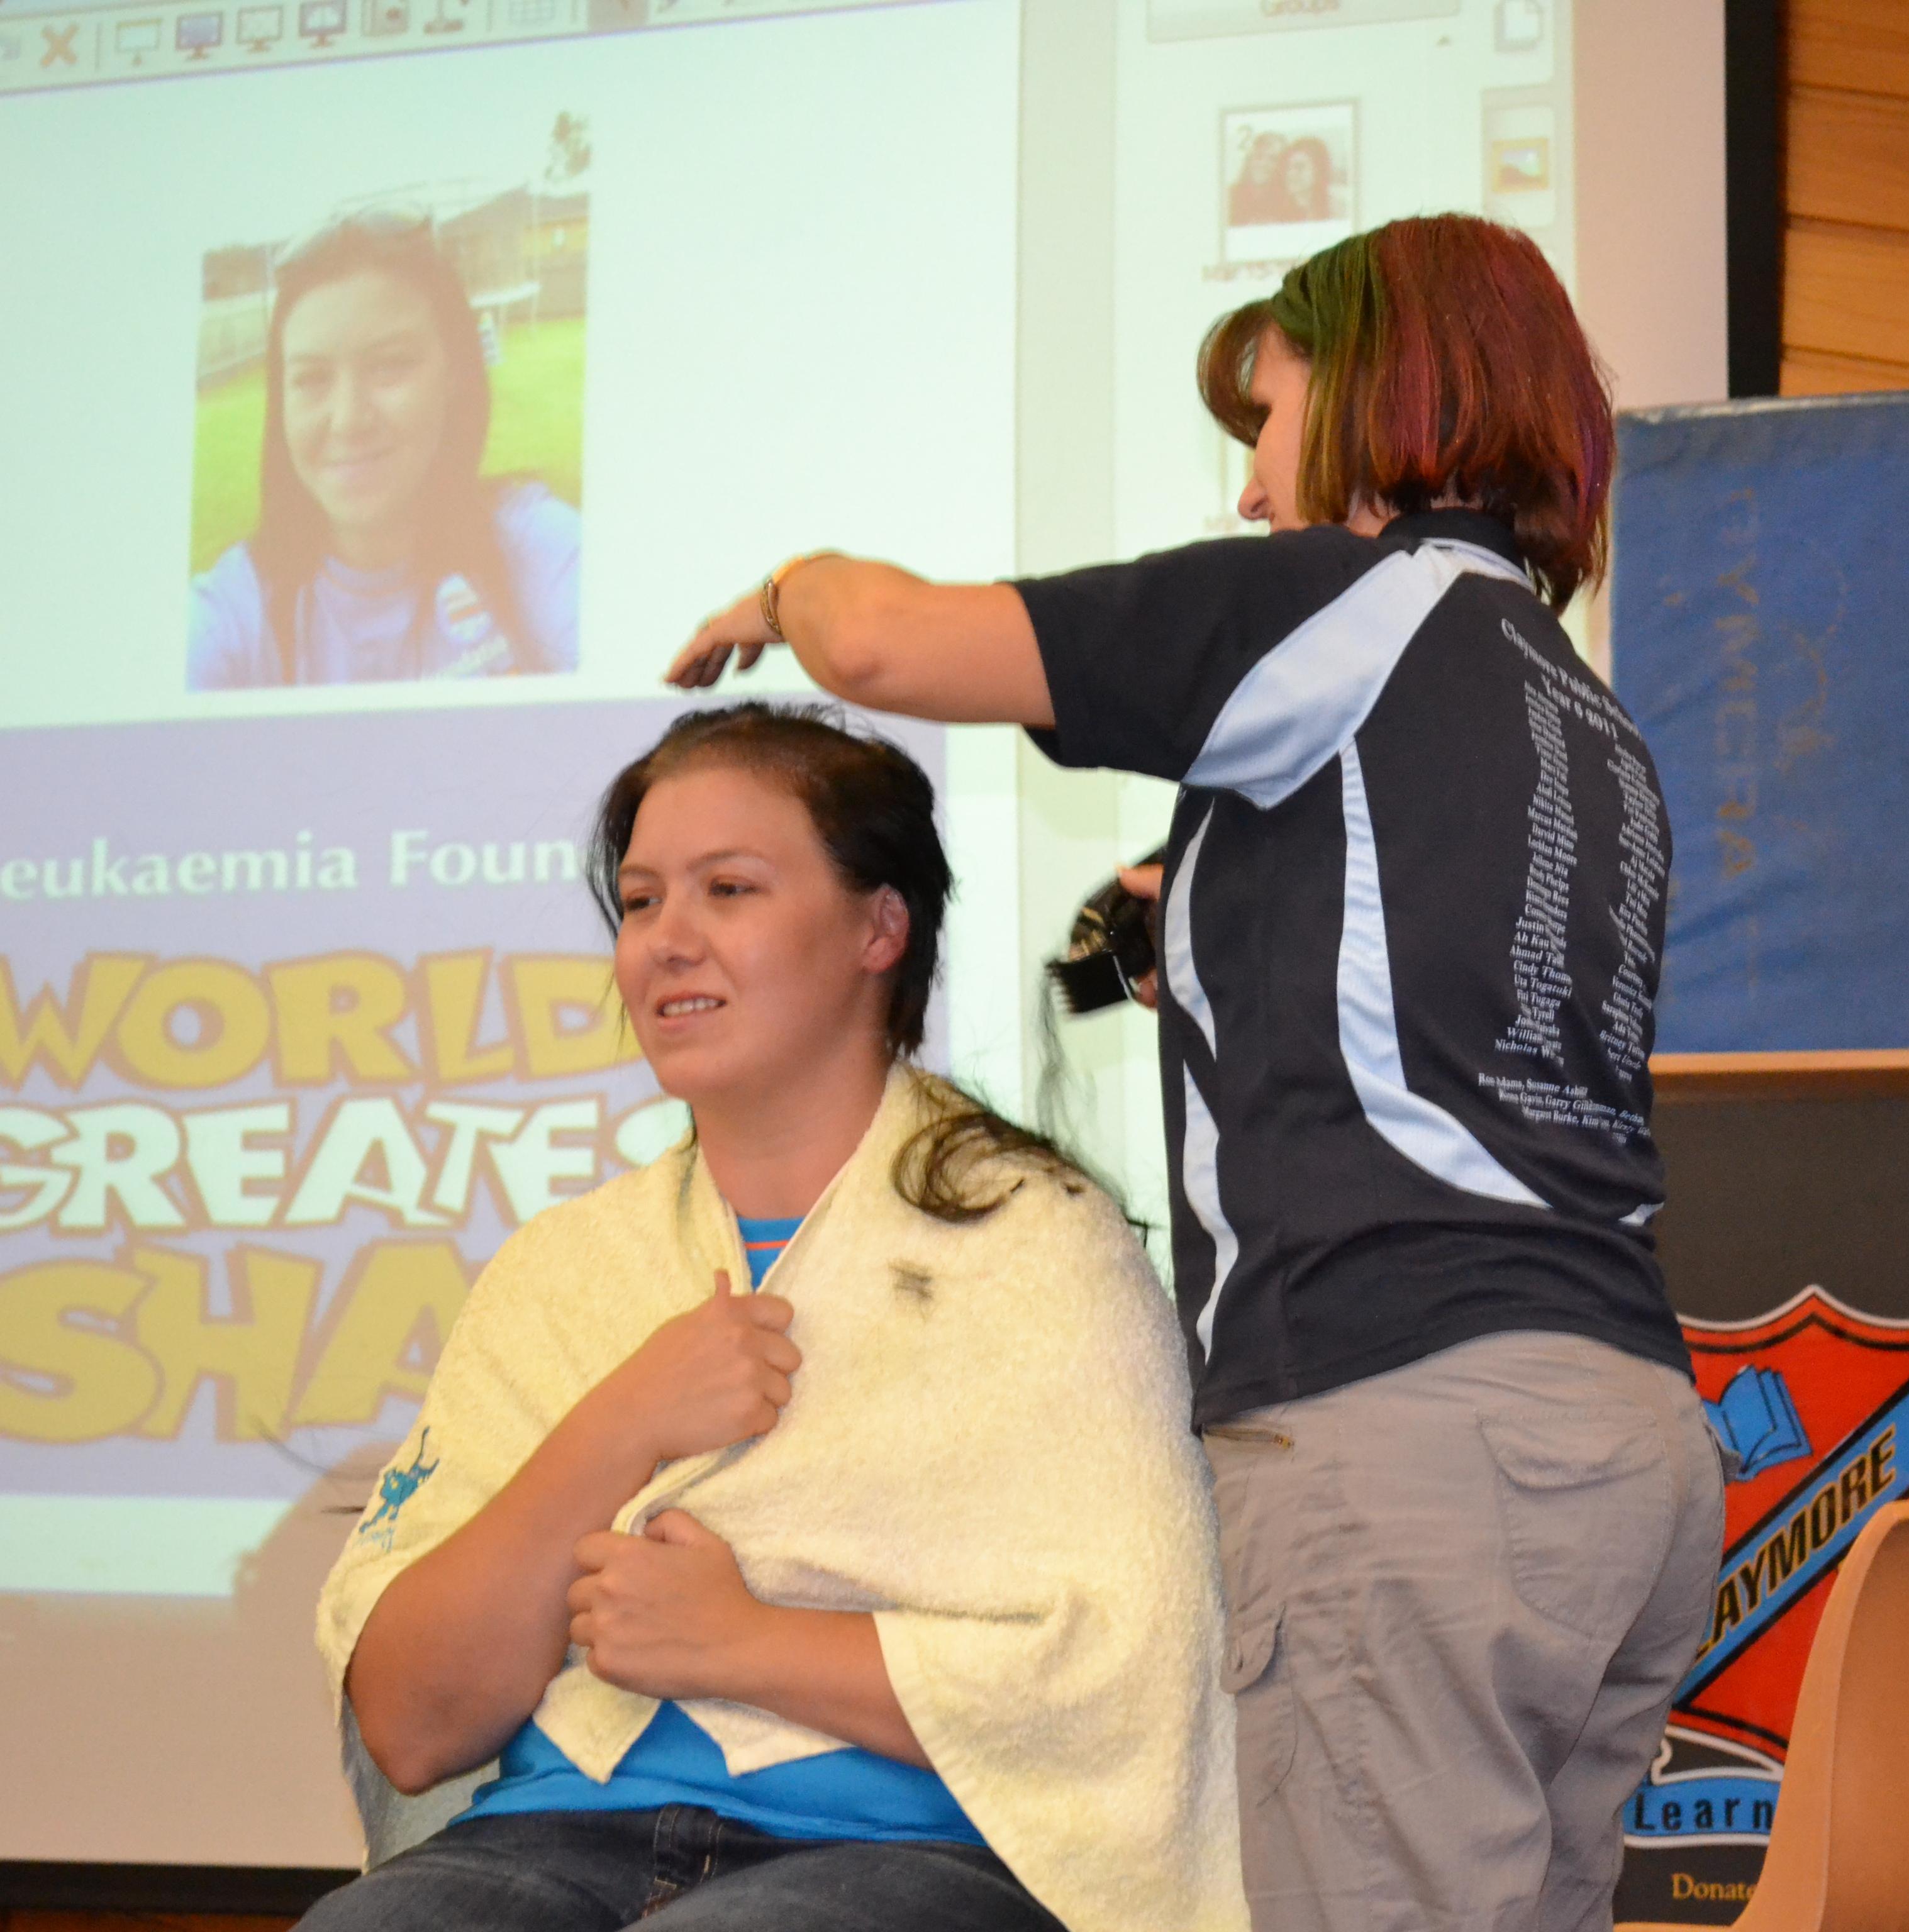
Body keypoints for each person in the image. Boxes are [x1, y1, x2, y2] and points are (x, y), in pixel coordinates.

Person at [669, 213, 1725, 1932]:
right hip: (1617, 1435)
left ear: (1387, 394)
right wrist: (1208, 934)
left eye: (1270, 419)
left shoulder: (1348, 605)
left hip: (1411, 1439)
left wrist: (788, 594)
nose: (1249, 492)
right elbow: (1447, 1008)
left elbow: (882, 648)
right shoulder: (1578, 707)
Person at [305, 705, 1244, 1932]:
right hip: (548, 1836)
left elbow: (1128, 1673)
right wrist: (625, 1419)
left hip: (920, 1856)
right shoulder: (564, 1270)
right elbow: (412, 1722)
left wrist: (738, 1642)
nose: (666, 944)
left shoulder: (1034, 1241)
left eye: (727, 890)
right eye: (640, 902)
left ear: (878, 927)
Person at [189, 212, 580, 689]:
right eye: (312, 378)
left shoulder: (532, 546)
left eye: (389, 366)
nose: (349, 420)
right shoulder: (236, 611)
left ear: (453, 376)